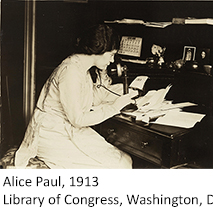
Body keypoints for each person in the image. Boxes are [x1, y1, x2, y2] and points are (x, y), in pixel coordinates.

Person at [15, 24, 137, 169]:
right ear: (99, 50)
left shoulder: (81, 67)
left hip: (67, 130)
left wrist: (115, 91)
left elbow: (90, 100)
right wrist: (114, 107)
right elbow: (78, 119)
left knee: (124, 160)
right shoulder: (71, 72)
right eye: (111, 55)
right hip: (51, 135)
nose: (112, 60)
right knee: (117, 166)